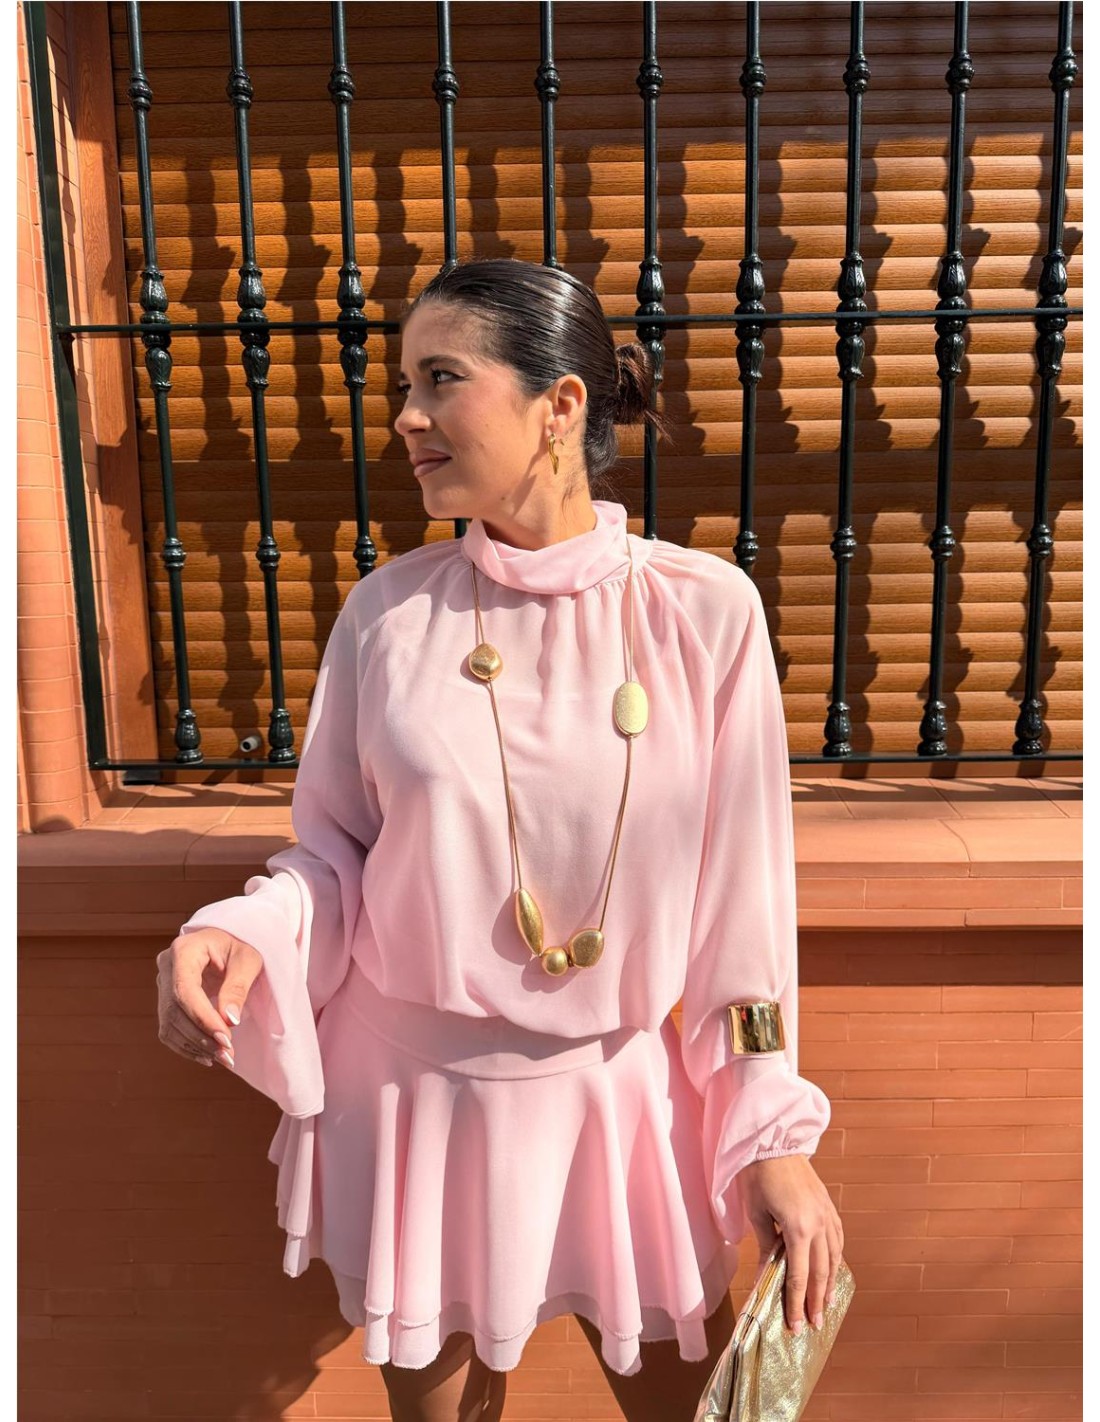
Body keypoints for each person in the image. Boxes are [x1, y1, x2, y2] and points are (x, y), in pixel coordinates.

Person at [156, 257, 844, 1422]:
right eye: (404, 385)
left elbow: (744, 911)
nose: (405, 416)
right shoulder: (387, 616)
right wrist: (241, 932)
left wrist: (768, 1131)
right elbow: (336, 856)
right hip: (415, 1100)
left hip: (613, 1101)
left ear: (558, 404)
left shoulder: (700, 611)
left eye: (440, 379)